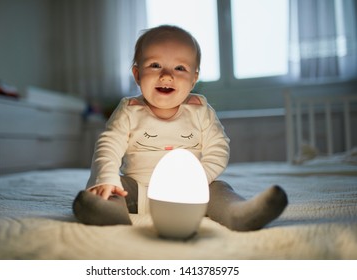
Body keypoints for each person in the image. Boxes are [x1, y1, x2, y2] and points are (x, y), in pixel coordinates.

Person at [73, 25, 288, 231]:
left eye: (180, 68)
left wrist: (199, 179)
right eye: (155, 65)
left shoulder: (200, 110)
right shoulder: (130, 110)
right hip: (138, 191)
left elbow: (218, 148)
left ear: (194, 79)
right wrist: (107, 178)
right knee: (112, 186)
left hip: (190, 194)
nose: (167, 75)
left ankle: (239, 213)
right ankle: (109, 213)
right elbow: (108, 145)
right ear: (137, 74)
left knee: (219, 188)